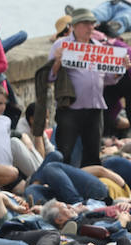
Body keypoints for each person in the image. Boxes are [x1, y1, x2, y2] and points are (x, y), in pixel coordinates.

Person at [48, 8, 123, 167]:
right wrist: (57, 62)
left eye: (92, 24)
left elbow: (109, 80)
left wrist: (119, 70)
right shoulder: (61, 45)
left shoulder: (98, 47)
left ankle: (90, 189)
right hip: (70, 108)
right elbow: (48, 77)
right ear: (74, 26)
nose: (91, 28)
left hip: (95, 108)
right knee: (64, 153)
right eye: (86, 24)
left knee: (93, 155)